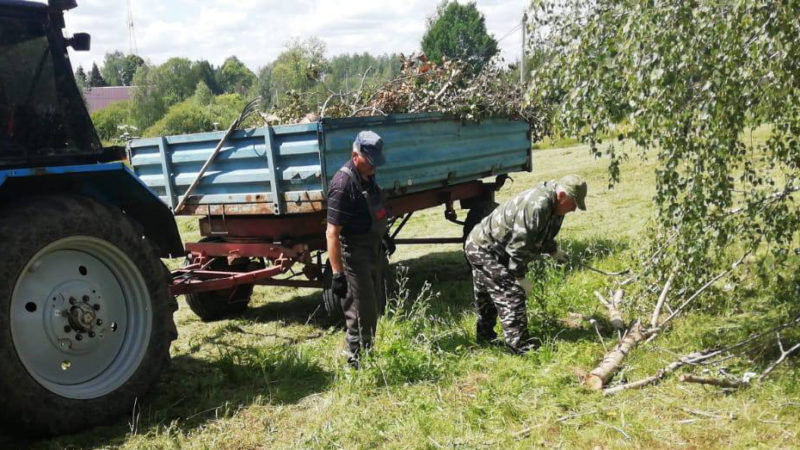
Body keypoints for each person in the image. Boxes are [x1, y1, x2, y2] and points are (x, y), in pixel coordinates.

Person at [464, 174, 588, 354]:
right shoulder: (536, 206)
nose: (574, 209)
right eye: (573, 203)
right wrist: (520, 278)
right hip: (482, 248)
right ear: (561, 196)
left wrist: (553, 251)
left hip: (494, 248)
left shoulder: (555, 205)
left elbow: (541, 233)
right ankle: (520, 346)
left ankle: (485, 338)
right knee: (511, 292)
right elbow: (519, 247)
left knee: (488, 293)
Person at [326, 130, 389, 368]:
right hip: (354, 256)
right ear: (355, 156)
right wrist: (337, 274)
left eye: (376, 162)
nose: (374, 167)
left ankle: (368, 355)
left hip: (373, 249)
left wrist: (384, 237)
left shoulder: (367, 176)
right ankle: (355, 365)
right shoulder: (343, 185)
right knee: (359, 312)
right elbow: (332, 233)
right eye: (370, 162)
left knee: (373, 308)